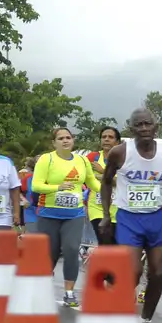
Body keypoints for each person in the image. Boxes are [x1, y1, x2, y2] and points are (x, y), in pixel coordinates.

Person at [100, 109, 162, 323]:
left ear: (156, 126)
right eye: (138, 125)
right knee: (132, 272)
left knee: (158, 273)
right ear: (131, 129)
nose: (143, 129)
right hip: (129, 218)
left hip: (157, 218)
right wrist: (106, 215)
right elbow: (106, 182)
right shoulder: (120, 153)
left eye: (147, 124)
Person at [33, 127, 100, 308]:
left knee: (71, 249)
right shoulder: (47, 159)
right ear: (54, 143)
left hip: (74, 214)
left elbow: (92, 182)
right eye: (60, 138)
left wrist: (109, 188)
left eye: (68, 137)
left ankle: (69, 292)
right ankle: (42, 286)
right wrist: (57, 187)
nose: (65, 141)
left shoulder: (81, 160)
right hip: (49, 214)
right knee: (50, 253)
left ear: (73, 140)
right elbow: (36, 185)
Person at [86, 126, 122, 245]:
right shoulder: (92, 157)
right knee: (104, 240)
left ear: (117, 142)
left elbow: (122, 182)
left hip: (117, 207)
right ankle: (106, 263)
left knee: (116, 243)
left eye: (110, 137)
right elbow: (84, 177)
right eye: (104, 137)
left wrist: (102, 173)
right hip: (96, 206)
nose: (106, 139)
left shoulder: (123, 159)